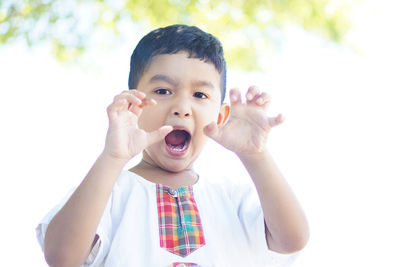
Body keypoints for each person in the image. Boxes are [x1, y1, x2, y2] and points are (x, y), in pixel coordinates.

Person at [36, 24, 309, 267]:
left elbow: (293, 239)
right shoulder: (108, 193)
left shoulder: (233, 199)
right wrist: (113, 156)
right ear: (134, 104)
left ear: (221, 116)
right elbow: (62, 257)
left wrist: (256, 155)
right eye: (163, 91)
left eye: (200, 94)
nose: (181, 107)